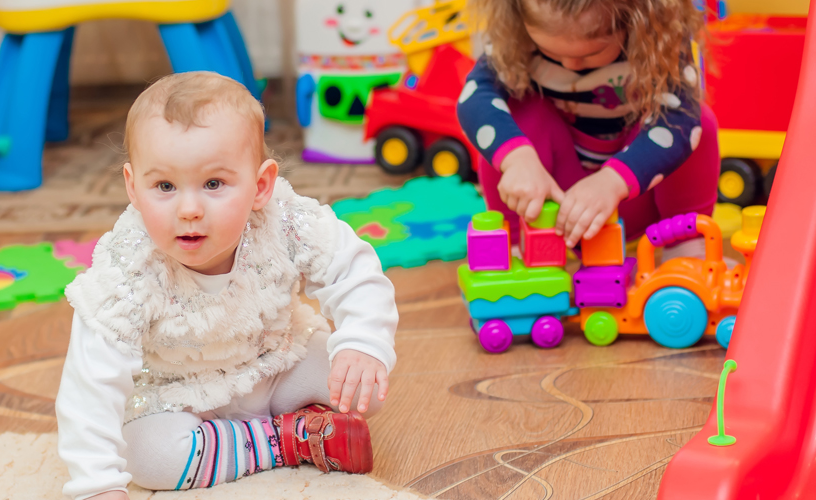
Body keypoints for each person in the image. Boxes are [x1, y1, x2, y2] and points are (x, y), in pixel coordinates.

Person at [56, 71, 397, 500]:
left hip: (276, 363)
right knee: (148, 458)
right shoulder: (127, 269)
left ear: (260, 186)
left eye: (213, 184)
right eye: (164, 186)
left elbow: (353, 269)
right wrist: (96, 486)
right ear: (133, 188)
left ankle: (245, 438)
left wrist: (362, 342)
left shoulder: (285, 220)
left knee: (364, 386)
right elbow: (90, 384)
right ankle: (286, 439)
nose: (190, 209)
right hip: (180, 394)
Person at [458, 0, 719, 259]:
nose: (571, 65)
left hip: (631, 192)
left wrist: (612, 182)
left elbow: (680, 117)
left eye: (590, 54)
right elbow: (474, 97)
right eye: (551, 50)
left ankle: (685, 244)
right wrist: (518, 161)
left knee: (692, 120)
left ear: (635, 15)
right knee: (510, 115)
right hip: (550, 200)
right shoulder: (515, 38)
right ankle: (517, 244)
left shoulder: (659, 36)